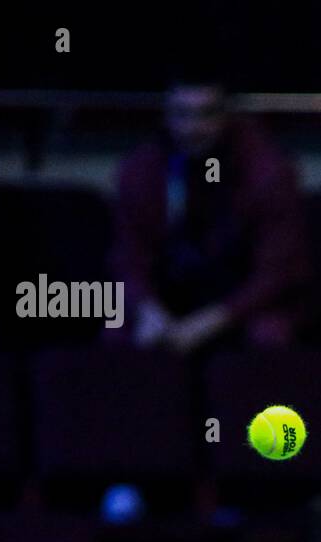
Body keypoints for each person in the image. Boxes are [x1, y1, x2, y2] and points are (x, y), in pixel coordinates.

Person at [111, 70, 307, 355]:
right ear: (166, 115)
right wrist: (146, 307)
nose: (193, 127)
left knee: (268, 334)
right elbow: (127, 256)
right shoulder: (141, 169)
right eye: (182, 113)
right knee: (118, 331)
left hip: (242, 301)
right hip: (170, 298)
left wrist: (211, 321)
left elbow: (276, 273)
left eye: (206, 114)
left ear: (227, 115)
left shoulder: (268, 172)